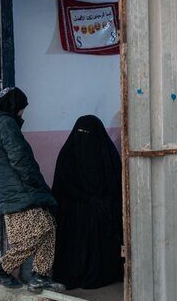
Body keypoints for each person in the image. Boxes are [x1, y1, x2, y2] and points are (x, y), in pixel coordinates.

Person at [0, 87, 65, 293]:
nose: (22, 113)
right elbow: (20, 158)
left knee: (49, 226)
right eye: (22, 109)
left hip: (13, 189)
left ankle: (40, 277)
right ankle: (1, 269)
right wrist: (36, 183)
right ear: (14, 106)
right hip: (20, 189)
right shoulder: (6, 124)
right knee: (39, 231)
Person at [51, 115, 124, 290]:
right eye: (81, 133)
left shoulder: (108, 157)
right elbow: (61, 190)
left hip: (100, 211)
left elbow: (117, 189)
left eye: (88, 134)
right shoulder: (67, 156)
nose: (85, 139)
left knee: (98, 214)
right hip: (73, 211)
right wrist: (85, 201)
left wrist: (101, 203)